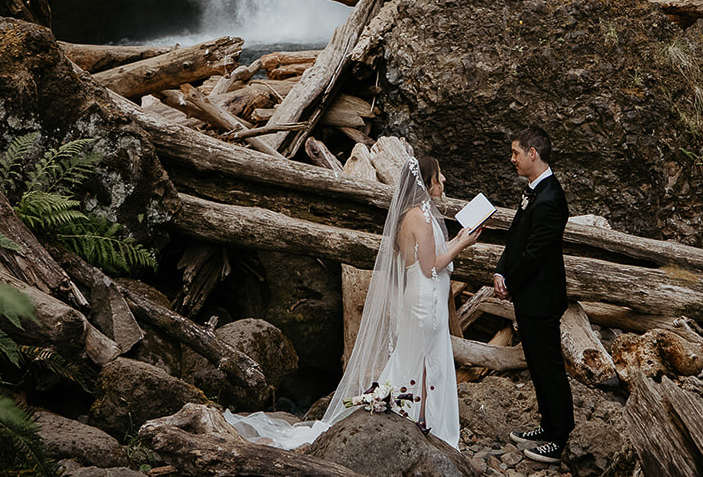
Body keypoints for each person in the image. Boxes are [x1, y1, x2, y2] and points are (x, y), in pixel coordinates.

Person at [225, 154, 481, 449]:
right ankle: (422, 422)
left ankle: (417, 418)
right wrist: (462, 245)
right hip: (426, 297)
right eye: (440, 174)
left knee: (419, 357)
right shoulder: (420, 217)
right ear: (427, 181)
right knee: (426, 359)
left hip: (423, 296)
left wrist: (458, 238)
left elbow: (428, 256)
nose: (444, 180)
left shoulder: (415, 213)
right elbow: (429, 266)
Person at [494, 125, 573, 465]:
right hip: (528, 296)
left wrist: (510, 282)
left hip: (541, 298)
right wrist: (500, 271)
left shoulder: (551, 198)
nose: (511, 159)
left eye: (515, 152)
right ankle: (546, 426)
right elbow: (516, 240)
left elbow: (536, 253)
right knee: (537, 367)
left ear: (532, 153)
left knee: (550, 368)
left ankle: (560, 437)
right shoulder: (533, 191)